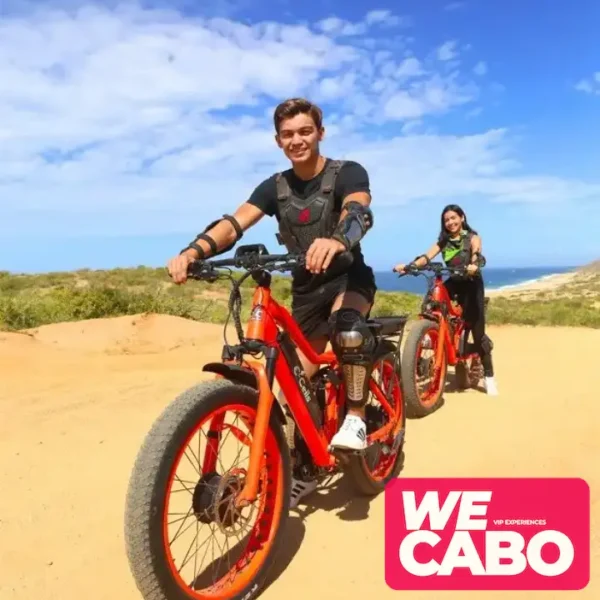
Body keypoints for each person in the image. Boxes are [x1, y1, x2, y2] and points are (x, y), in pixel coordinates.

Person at [167, 97, 379, 506]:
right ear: (278, 140)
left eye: (304, 131)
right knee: (293, 386)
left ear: (320, 132)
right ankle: (307, 464)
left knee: (348, 332)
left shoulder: (347, 172)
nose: (297, 140)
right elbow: (233, 224)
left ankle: (355, 417)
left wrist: (336, 240)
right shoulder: (275, 187)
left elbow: (358, 212)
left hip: (348, 279)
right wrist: (193, 252)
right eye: (288, 134)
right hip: (306, 293)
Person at [393, 204, 499, 396]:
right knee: (433, 299)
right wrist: (409, 266)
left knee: (477, 329)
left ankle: (489, 376)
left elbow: (477, 253)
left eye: (453, 218)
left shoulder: (472, 237)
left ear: (462, 217)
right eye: (446, 220)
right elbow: (426, 257)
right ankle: (429, 334)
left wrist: (474, 264)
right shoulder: (443, 241)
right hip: (454, 281)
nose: (450, 222)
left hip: (471, 282)